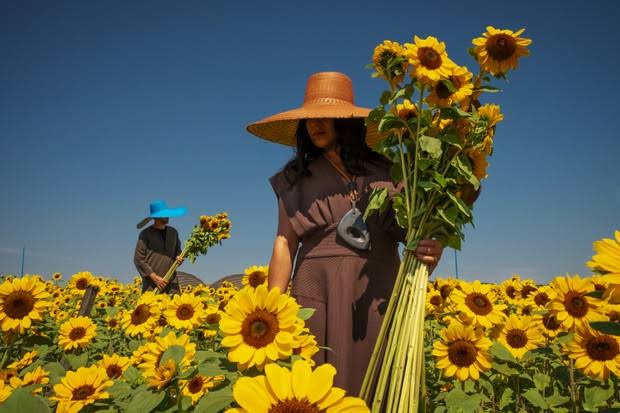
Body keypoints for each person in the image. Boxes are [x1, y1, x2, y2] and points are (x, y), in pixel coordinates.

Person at [246, 72, 444, 395]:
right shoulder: (295, 178)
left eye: (325, 117)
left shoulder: (390, 172)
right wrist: (273, 310)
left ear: (347, 122)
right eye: (309, 119)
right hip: (316, 290)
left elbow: (415, 236)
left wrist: (433, 250)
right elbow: (284, 242)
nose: (314, 125)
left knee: (380, 382)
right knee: (314, 388)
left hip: (376, 295)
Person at [133, 200, 186, 294]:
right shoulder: (145, 234)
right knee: (152, 308)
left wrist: (178, 257)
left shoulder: (173, 232)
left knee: (174, 307)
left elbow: (178, 251)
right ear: (155, 217)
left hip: (172, 282)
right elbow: (139, 259)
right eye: (164, 214)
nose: (167, 216)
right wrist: (154, 277)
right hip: (152, 284)